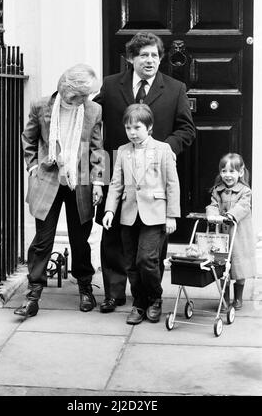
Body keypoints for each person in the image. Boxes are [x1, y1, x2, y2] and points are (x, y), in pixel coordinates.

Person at [94, 31, 195, 313]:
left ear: (161, 58)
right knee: (113, 235)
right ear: (131, 58)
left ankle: (150, 296)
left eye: (154, 55)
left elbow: (187, 130)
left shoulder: (175, 89)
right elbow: (94, 125)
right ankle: (115, 293)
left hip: (155, 178)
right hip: (119, 172)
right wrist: (96, 174)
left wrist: (164, 150)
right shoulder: (112, 85)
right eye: (143, 55)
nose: (149, 60)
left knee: (150, 248)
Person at [14, 63, 104, 318]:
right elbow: (28, 139)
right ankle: (33, 296)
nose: (86, 100)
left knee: (80, 239)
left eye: (88, 96)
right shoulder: (41, 106)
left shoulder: (93, 110)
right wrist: (32, 167)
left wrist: (98, 182)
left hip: (80, 182)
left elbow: (98, 148)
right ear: (67, 89)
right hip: (48, 181)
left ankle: (85, 288)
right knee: (43, 241)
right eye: (82, 95)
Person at [102, 104, 180, 324]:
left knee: (147, 259)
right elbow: (116, 183)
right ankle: (139, 303)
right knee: (131, 264)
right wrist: (110, 210)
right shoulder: (123, 151)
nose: (132, 132)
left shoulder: (163, 149)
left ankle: (155, 298)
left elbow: (172, 184)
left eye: (137, 127)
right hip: (129, 214)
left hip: (155, 214)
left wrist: (171, 215)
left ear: (150, 126)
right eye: (128, 128)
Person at [206, 153, 257, 310]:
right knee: (223, 266)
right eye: (224, 171)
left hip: (239, 234)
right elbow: (213, 204)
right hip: (222, 233)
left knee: (239, 266)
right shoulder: (218, 190)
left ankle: (239, 298)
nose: (227, 175)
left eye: (232, 171)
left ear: (240, 172)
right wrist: (212, 214)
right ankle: (225, 298)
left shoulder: (245, 191)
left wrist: (230, 215)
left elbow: (243, 206)